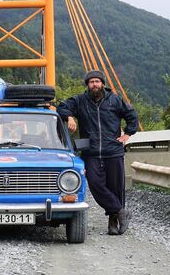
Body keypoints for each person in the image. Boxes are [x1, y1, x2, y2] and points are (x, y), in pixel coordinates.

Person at [57, 70, 138, 235]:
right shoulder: (80, 101)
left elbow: (132, 115)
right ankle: (121, 212)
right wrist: (70, 117)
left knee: (115, 187)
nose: (95, 84)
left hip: (113, 150)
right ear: (87, 85)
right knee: (94, 183)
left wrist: (127, 134)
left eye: (97, 82)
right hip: (91, 151)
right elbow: (61, 107)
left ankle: (113, 223)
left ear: (103, 84)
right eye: (91, 82)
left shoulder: (115, 100)